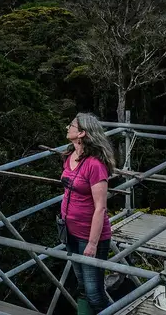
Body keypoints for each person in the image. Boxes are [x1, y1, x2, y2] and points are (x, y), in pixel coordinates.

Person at [60, 112, 116, 312]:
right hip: (70, 232)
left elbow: (100, 207)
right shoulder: (70, 156)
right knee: (83, 287)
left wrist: (92, 244)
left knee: (94, 292)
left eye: (72, 125)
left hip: (89, 236)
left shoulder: (95, 165)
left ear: (82, 133)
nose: (68, 128)